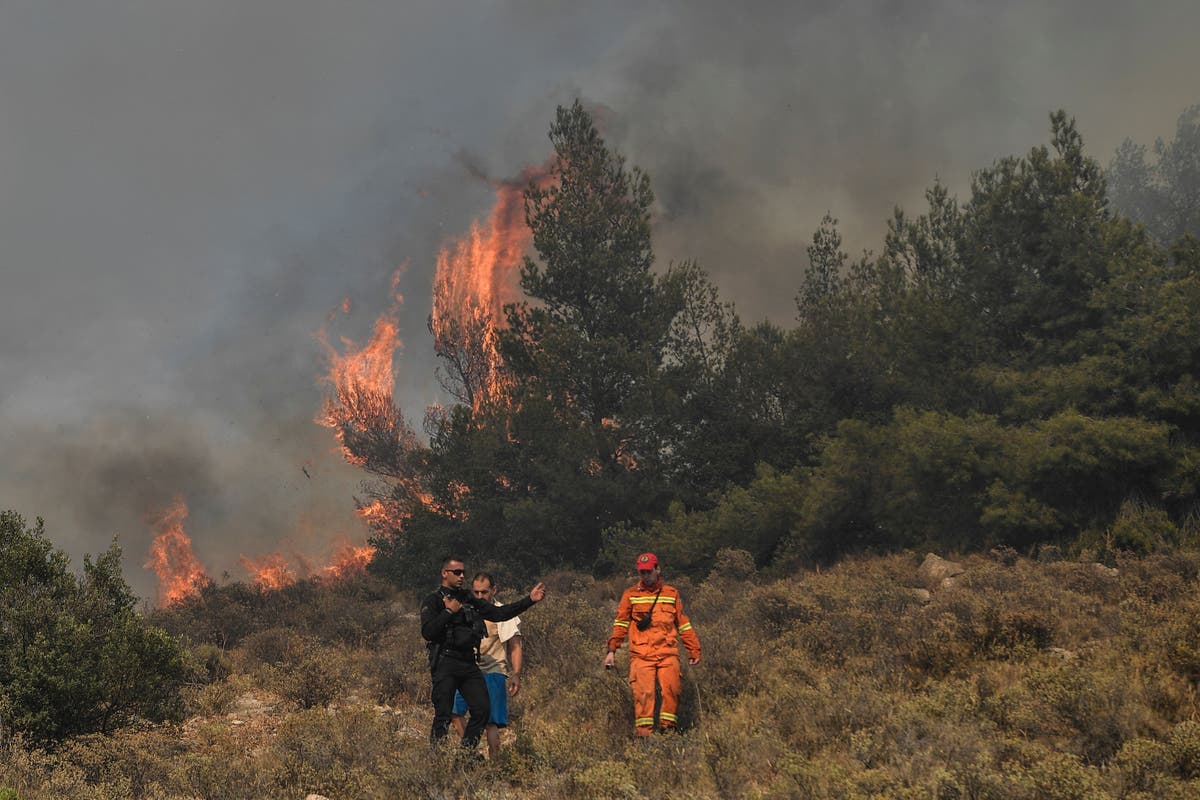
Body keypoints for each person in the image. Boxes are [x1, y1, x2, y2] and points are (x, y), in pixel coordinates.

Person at [420, 557, 545, 752]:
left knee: (482, 711)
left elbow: (499, 613)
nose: (462, 576)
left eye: (463, 572)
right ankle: (437, 763)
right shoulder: (433, 600)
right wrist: (448, 612)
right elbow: (428, 632)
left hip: (469, 663)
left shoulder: (467, 598)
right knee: (444, 715)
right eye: (457, 572)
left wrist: (529, 600)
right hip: (446, 663)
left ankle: (467, 755)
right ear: (445, 573)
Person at [604, 552, 701, 737]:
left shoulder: (671, 594)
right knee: (643, 696)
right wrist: (611, 651)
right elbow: (620, 624)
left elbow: (683, 624)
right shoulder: (631, 595)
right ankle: (644, 738)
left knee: (672, 690)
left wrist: (693, 649)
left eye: (649, 571)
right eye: (642, 572)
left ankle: (668, 733)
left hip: (667, 653)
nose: (646, 576)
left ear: (658, 570)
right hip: (641, 654)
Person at [449, 572, 524, 758]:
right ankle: (471, 754)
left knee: (491, 723)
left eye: (484, 592)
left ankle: (494, 768)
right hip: (468, 671)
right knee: (454, 711)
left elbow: (515, 646)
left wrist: (516, 673)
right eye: (476, 592)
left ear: (494, 590)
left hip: (493, 672)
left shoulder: (503, 613)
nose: (480, 596)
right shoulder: (466, 610)